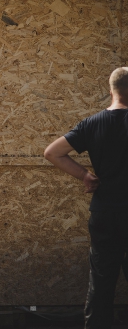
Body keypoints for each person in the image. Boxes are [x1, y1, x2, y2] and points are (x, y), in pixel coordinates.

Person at [44, 67, 128, 329]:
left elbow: (52, 153)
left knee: (101, 283)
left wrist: (85, 176)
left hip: (104, 213)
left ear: (111, 89)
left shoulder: (92, 124)